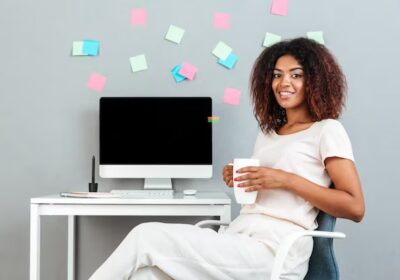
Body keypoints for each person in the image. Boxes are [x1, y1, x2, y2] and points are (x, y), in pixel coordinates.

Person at [89, 37, 365, 280]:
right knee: (147, 275)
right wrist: (240, 178)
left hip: (275, 250)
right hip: (238, 236)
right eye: (277, 75)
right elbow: (264, 190)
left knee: (145, 236)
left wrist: (286, 180)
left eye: (296, 75)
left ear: (315, 82)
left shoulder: (327, 130)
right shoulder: (268, 133)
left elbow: (355, 207)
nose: (284, 83)